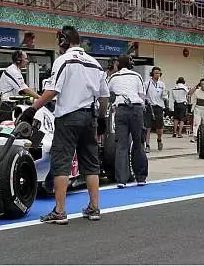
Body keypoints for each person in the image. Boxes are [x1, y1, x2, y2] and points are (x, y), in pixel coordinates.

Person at [26, 25, 109, 224]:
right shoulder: (94, 63)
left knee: (61, 162)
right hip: (89, 118)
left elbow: (53, 90)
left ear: (63, 40)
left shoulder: (64, 61)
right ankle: (94, 208)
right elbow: (104, 96)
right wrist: (102, 118)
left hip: (67, 118)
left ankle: (60, 211)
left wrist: (33, 108)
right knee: (90, 163)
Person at [107, 55, 148, 188]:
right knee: (138, 143)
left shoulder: (113, 77)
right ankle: (141, 177)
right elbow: (142, 96)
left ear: (118, 64)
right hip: (136, 109)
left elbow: (108, 93)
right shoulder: (137, 76)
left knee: (121, 145)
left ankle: (121, 180)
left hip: (121, 110)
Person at [143, 67, 167, 152]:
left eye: (159, 73)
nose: (157, 75)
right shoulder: (147, 84)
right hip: (149, 107)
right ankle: (147, 145)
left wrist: (166, 101)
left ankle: (159, 140)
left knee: (159, 128)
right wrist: (145, 103)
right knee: (147, 127)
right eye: (156, 73)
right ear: (152, 74)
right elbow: (143, 95)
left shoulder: (162, 84)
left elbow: (164, 96)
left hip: (159, 107)